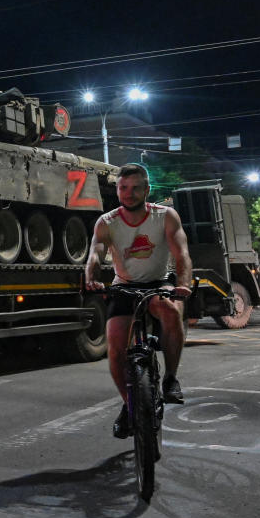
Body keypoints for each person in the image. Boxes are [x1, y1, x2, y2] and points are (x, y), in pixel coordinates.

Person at [85, 163, 193, 439]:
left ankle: (170, 378)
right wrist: (92, 276)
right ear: (117, 190)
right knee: (116, 351)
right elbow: (95, 254)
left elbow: (181, 254)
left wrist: (183, 284)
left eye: (135, 188)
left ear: (147, 189)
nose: (128, 194)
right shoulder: (107, 222)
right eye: (123, 188)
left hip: (157, 282)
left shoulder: (165, 216)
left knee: (170, 312)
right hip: (124, 286)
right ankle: (129, 404)